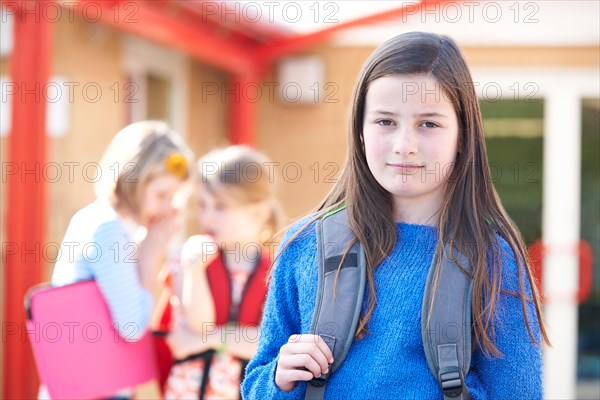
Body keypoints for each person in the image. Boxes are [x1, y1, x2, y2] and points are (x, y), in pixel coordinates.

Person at [241, 31, 550, 399]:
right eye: (385, 122)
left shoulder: (496, 262)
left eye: (429, 124)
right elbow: (256, 382)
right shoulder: (303, 245)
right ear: (359, 130)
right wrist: (279, 378)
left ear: (463, 135)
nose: (405, 145)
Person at [50, 120, 193, 399]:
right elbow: (132, 326)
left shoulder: (99, 221)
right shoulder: (108, 230)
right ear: (132, 182)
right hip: (93, 390)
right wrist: (150, 253)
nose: (166, 208)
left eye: (173, 198)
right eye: (161, 195)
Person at [162, 145, 284, 400]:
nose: (208, 217)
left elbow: (270, 343)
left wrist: (210, 339)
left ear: (258, 213)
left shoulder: (276, 271)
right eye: (203, 205)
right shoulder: (192, 257)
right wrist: (195, 270)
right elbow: (199, 325)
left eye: (220, 207)